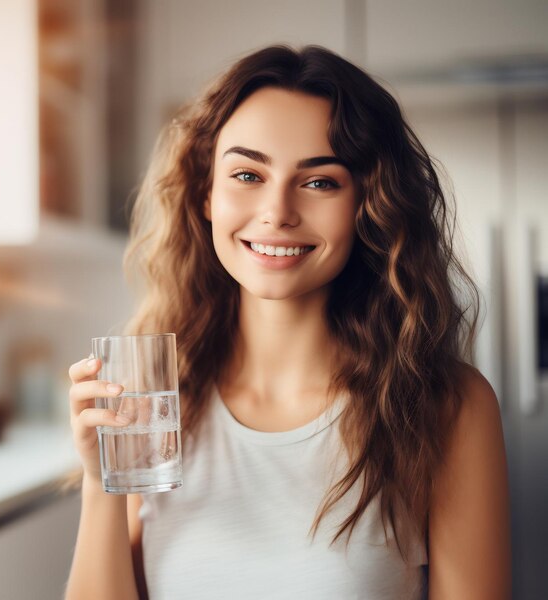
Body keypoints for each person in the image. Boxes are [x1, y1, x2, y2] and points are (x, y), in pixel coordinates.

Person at [64, 45, 510, 600]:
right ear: (207, 194)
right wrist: (99, 479)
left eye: (320, 181)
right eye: (248, 174)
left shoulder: (446, 406)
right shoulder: (156, 402)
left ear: (366, 204)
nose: (278, 211)